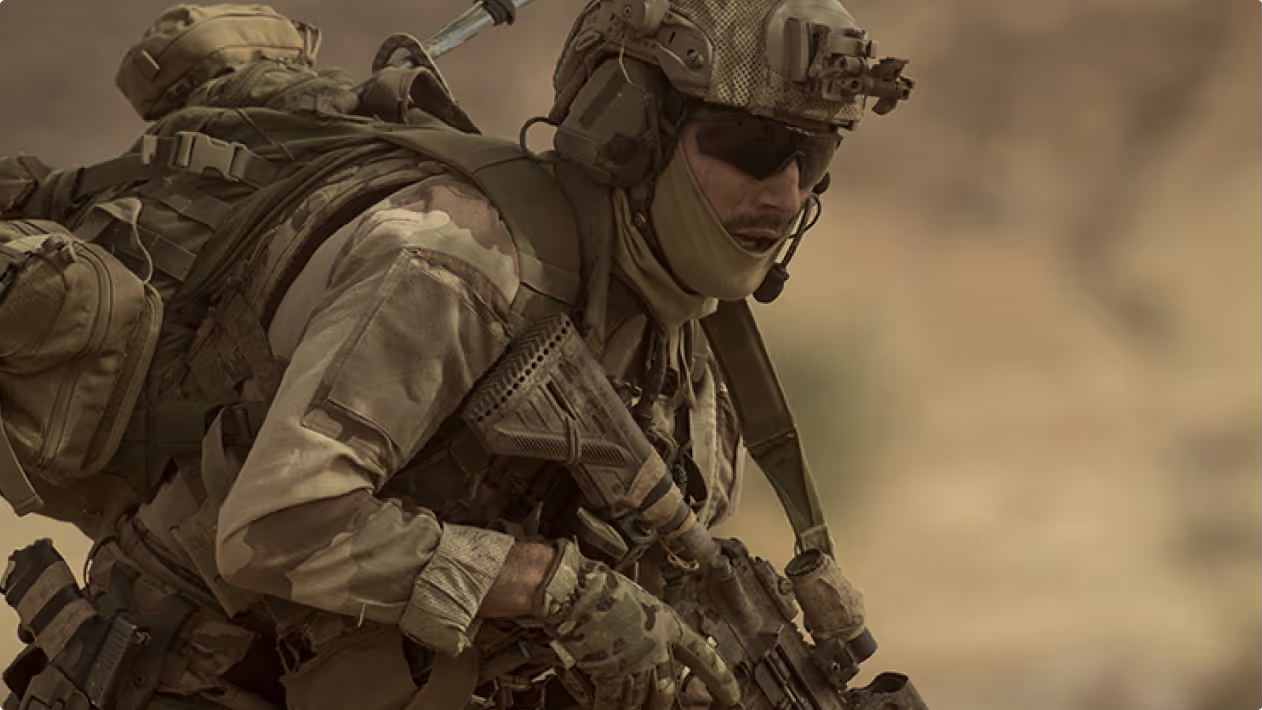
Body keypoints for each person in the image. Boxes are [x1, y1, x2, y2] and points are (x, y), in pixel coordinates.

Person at [1, 1, 911, 709]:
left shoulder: (687, 345)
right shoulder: (453, 257)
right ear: (631, 126)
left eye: (813, 156)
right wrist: (555, 589)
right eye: (753, 147)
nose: (786, 193)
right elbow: (271, 528)